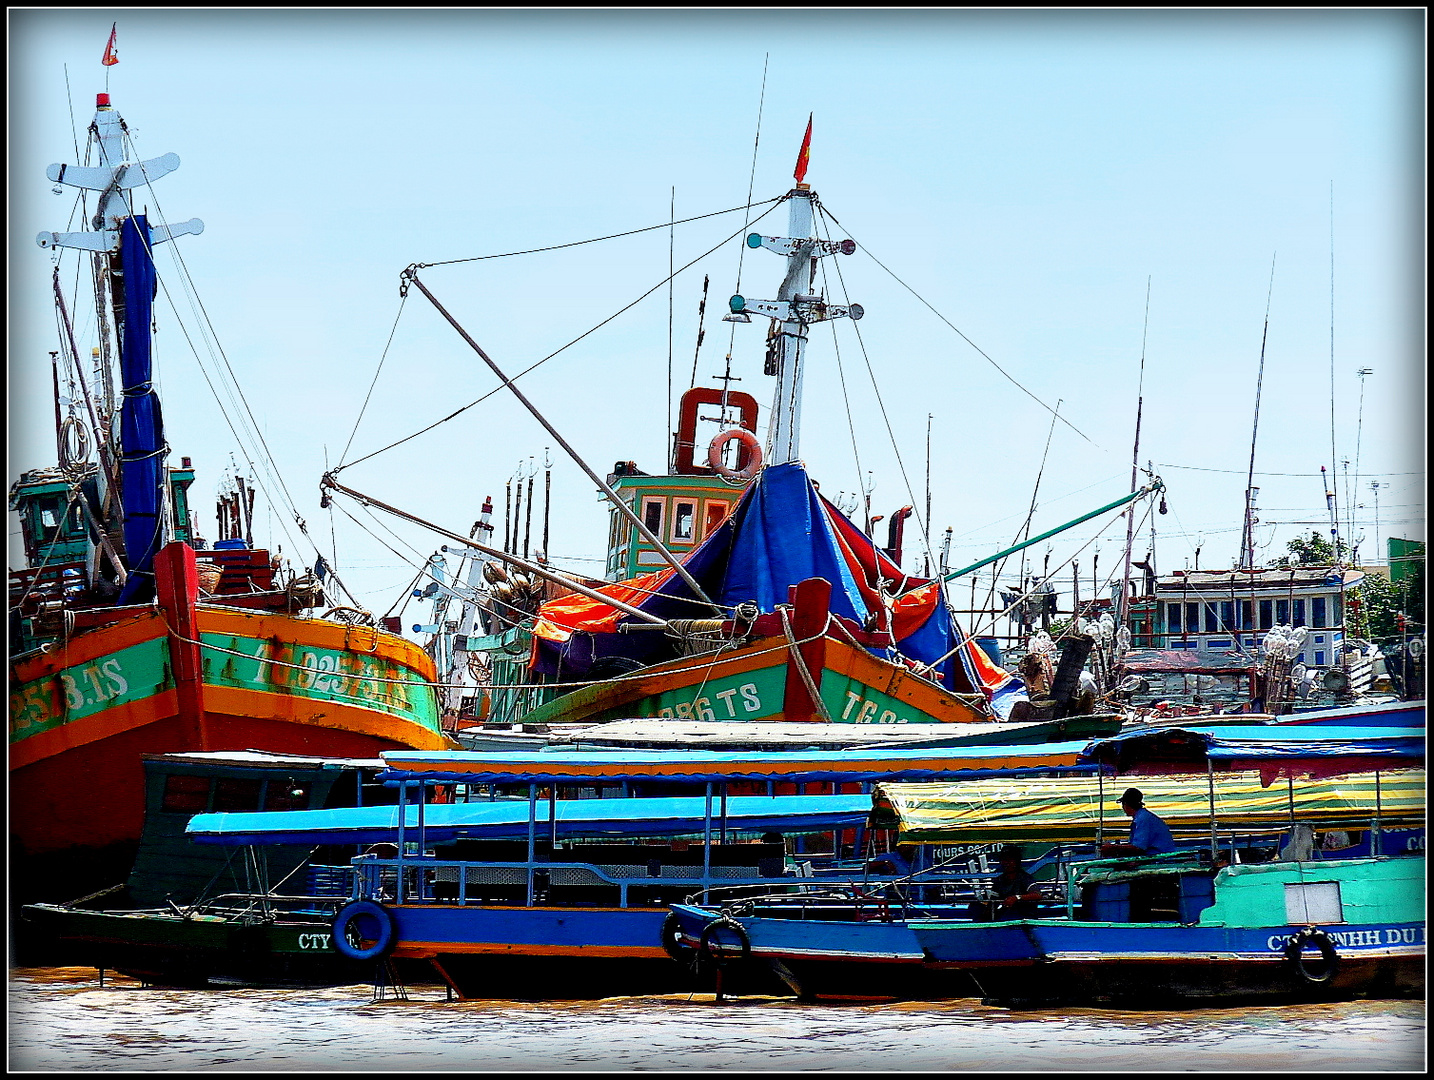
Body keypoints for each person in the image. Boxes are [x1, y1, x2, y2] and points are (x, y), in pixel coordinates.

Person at [968, 845, 1042, 920]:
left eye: (1010, 860)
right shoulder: (999, 880)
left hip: (1025, 918)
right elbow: (993, 902)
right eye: (1004, 860)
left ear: (1017, 861)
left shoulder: (1025, 878)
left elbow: (1037, 895)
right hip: (1007, 918)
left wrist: (1016, 898)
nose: (1007, 863)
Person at [1101, 787, 1176, 856]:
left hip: (1159, 859)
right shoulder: (1143, 816)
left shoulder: (1143, 819)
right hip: (1157, 856)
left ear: (1126, 805)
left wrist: (1113, 848)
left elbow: (1139, 847)